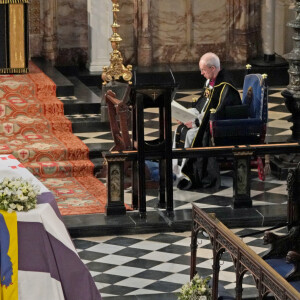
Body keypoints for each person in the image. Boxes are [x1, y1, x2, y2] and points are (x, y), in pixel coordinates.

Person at [173, 52, 241, 190]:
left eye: (203, 70)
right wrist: (185, 116)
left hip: (222, 126)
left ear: (213, 68)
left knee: (191, 134)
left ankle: (190, 174)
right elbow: (202, 105)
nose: (201, 73)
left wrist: (196, 123)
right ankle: (176, 171)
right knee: (180, 129)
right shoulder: (210, 81)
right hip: (205, 118)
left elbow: (218, 113)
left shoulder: (225, 87)